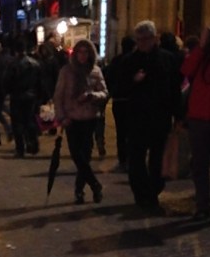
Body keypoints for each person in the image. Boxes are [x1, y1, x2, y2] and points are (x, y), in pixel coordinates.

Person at [118, 20, 182, 213]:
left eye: (146, 39)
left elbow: (174, 89)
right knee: (136, 159)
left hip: (160, 118)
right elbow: (119, 88)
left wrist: (178, 116)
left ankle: (153, 192)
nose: (143, 43)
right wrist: (133, 81)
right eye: (139, 40)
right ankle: (141, 194)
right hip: (136, 118)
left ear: (154, 39)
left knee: (157, 160)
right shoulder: (128, 61)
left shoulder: (168, 59)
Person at [179, 11, 210, 220]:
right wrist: (203, 44)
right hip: (199, 116)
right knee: (200, 164)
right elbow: (186, 69)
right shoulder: (203, 52)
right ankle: (202, 204)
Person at [53, 39, 108, 204]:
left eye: (86, 52)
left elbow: (105, 93)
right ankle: (95, 185)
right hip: (72, 119)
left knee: (85, 156)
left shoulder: (96, 71)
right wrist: (61, 117)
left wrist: (92, 96)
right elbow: (59, 96)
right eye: (80, 52)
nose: (82, 56)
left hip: (90, 118)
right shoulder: (67, 71)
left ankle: (79, 190)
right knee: (77, 156)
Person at [4, 39, 41, 157]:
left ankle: (20, 149)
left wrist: (8, 92)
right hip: (31, 96)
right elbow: (40, 81)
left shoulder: (13, 65)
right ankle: (33, 144)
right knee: (30, 120)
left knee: (17, 123)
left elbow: (7, 81)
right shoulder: (34, 63)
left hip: (17, 96)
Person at [104, 35, 136, 172]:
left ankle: (122, 158)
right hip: (131, 100)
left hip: (118, 100)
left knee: (121, 132)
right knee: (132, 131)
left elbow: (109, 79)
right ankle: (130, 158)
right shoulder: (135, 60)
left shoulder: (116, 61)